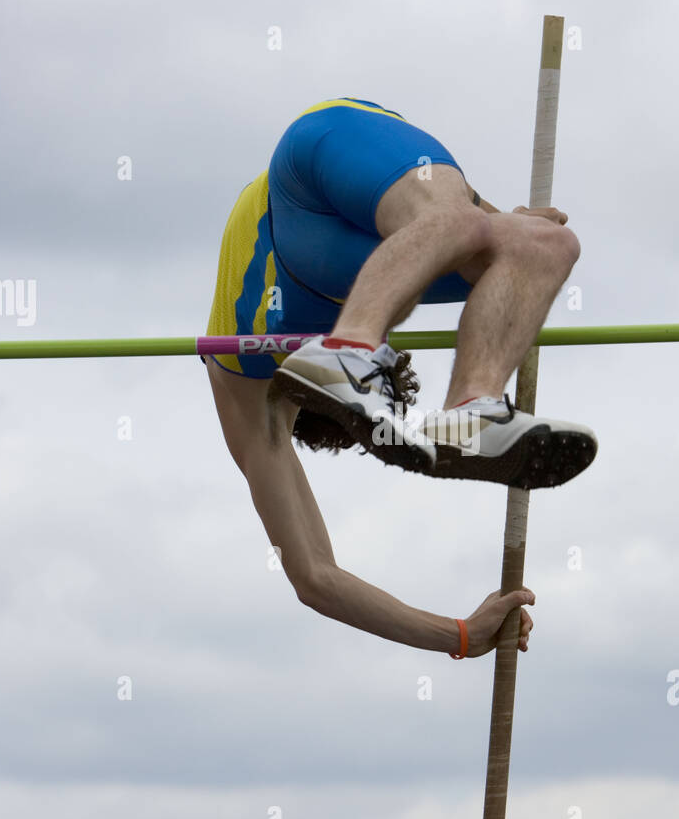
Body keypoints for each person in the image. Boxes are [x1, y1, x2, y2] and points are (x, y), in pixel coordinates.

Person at [203, 96, 596, 658]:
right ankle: (473, 405)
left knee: (460, 222)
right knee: (546, 247)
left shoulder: (242, 385)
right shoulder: (255, 398)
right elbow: (312, 577)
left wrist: (483, 211)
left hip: (307, 173)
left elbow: (314, 576)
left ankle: (350, 349)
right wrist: (458, 634)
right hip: (328, 259)